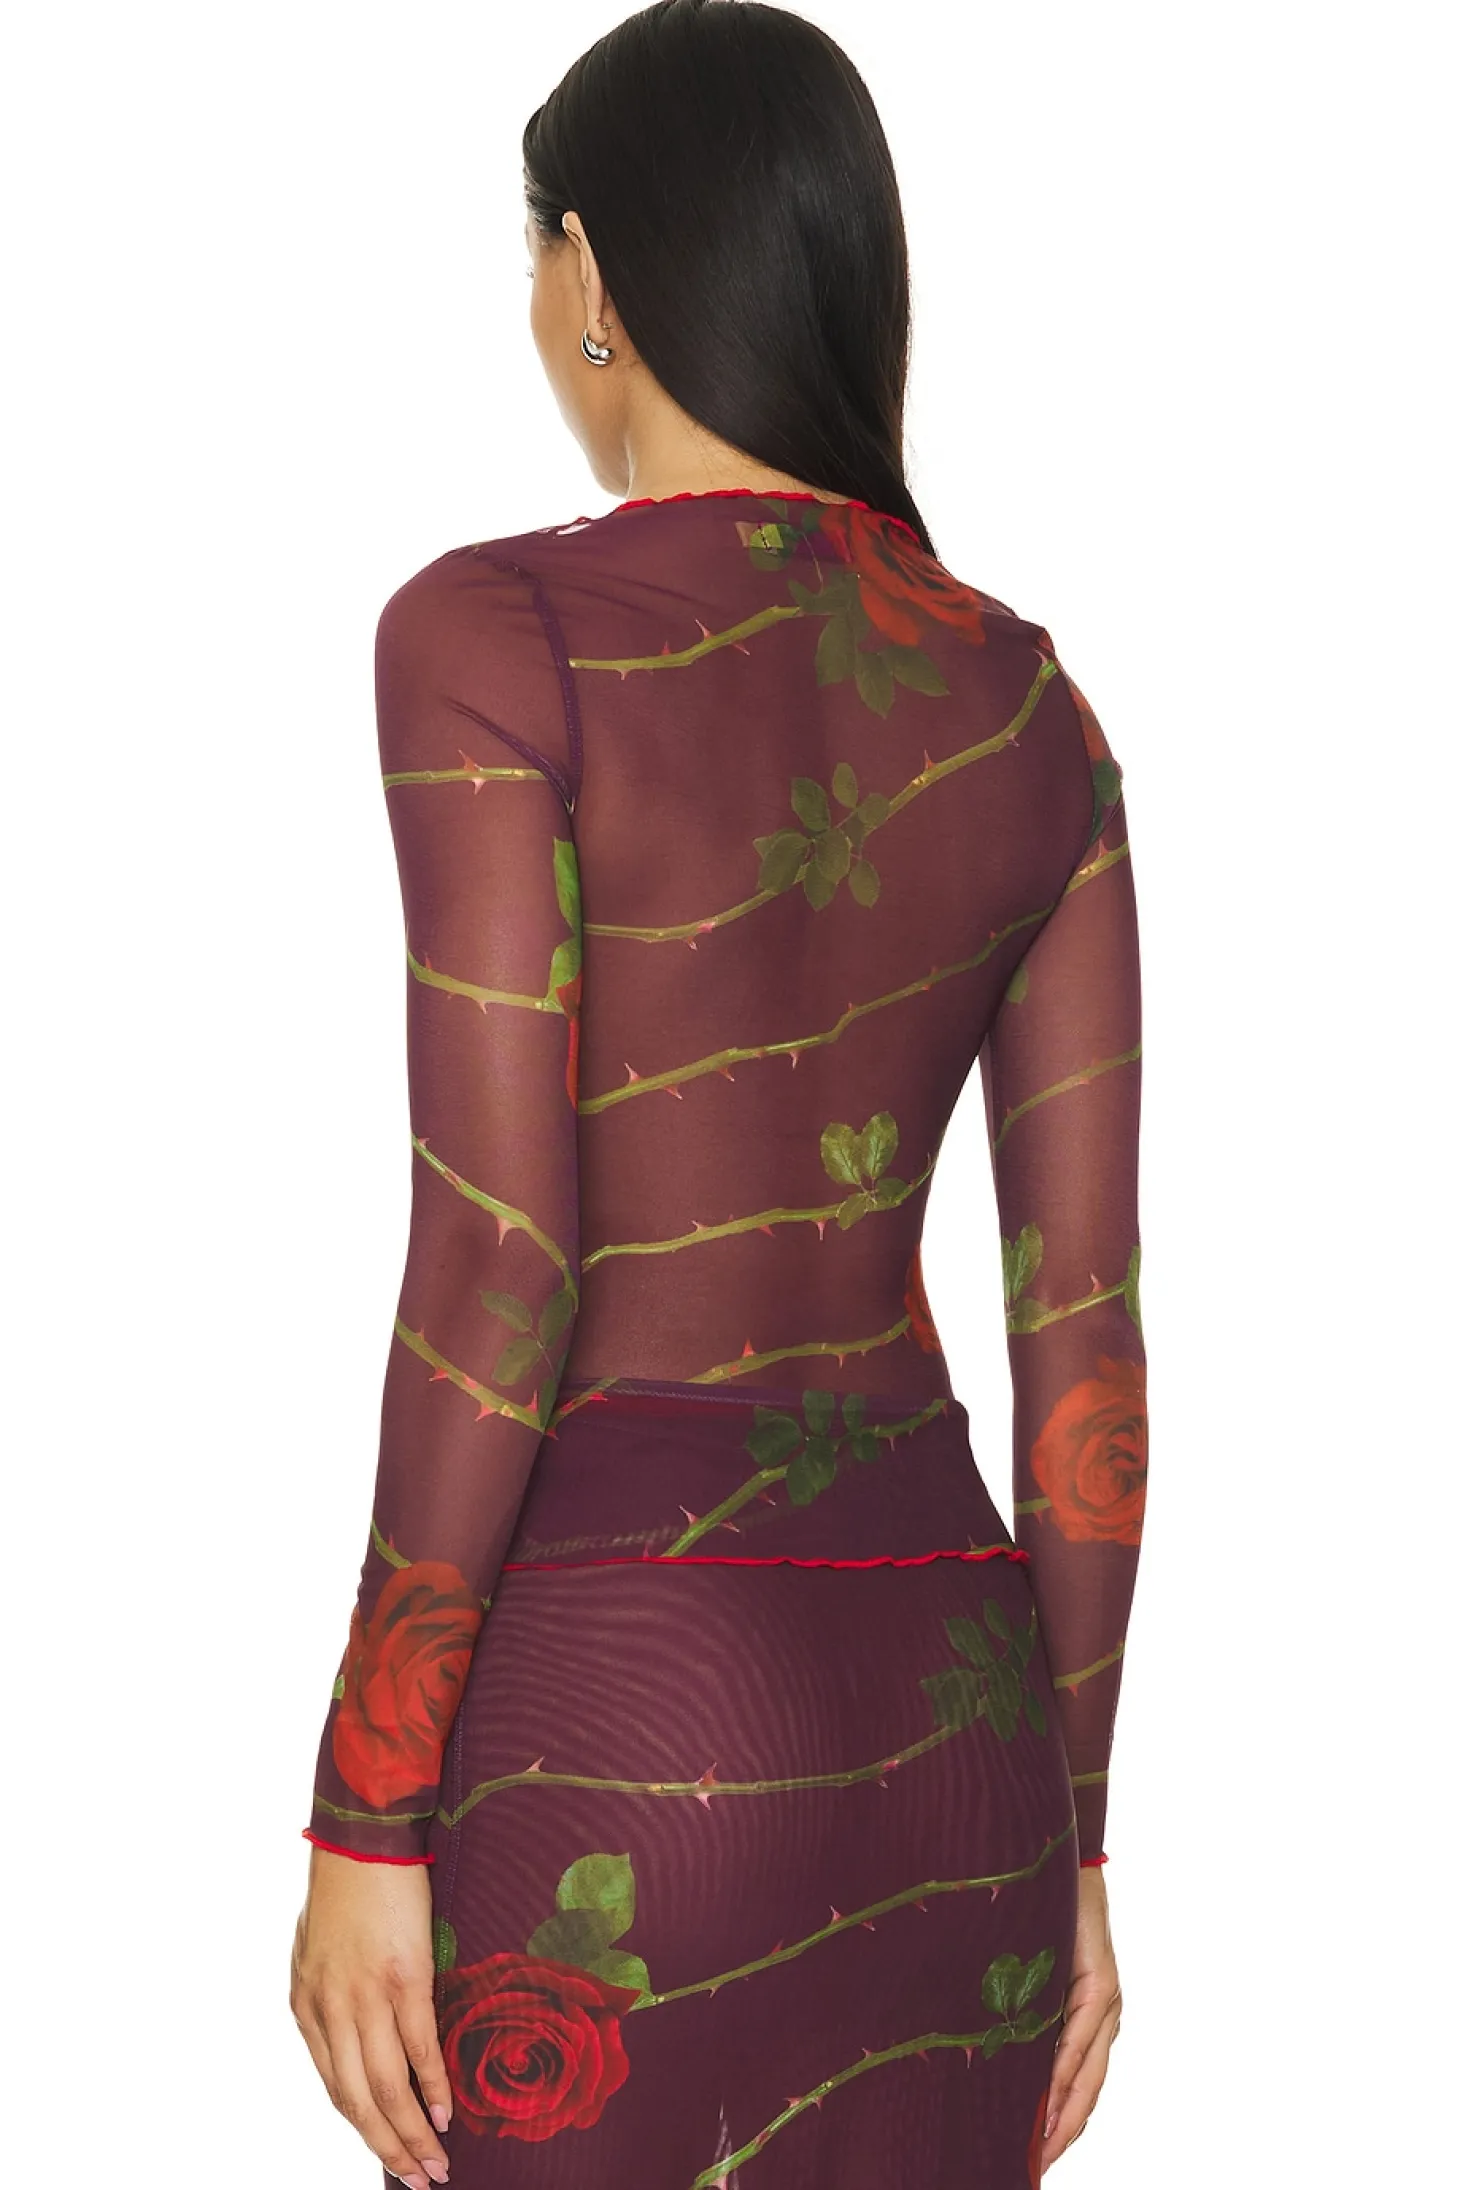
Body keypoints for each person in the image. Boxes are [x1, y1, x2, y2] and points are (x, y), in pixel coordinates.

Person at [288, 5, 1144, 2184]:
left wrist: (365, 1811)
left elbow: (500, 1263)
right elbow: (1085, 1351)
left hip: (617, 1710)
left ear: (590, 270)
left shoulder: (494, 635)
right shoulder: (1030, 710)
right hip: (953, 1737)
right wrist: (1074, 1849)